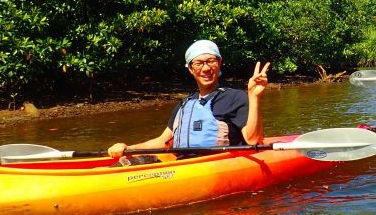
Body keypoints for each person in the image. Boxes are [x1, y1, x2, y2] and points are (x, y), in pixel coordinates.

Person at [108, 39, 270, 160]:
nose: (206, 68)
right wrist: (129, 148)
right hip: (181, 164)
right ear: (191, 69)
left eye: (211, 61)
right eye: (199, 63)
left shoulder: (236, 97)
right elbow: (163, 141)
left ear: (219, 63)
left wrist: (254, 97)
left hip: (218, 163)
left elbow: (254, 140)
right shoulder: (184, 104)